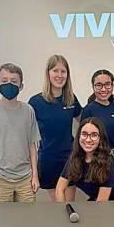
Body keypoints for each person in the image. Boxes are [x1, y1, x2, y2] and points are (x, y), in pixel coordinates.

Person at [0, 63, 41, 202]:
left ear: (21, 86)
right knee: (1, 220)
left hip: (25, 178)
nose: (9, 84)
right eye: (4, 81)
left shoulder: (28, 110)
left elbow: (32, 146)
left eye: (14, 81)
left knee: (28, 219)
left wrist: (35, 175)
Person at [28, 55, 82, 201]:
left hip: (69, 158)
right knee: (58, 206)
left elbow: (86, 120)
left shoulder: (71, 98)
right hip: (49, 159)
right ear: (48, 73)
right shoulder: (36, 102)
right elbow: (20, 122)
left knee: (70, 204)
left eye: (63, 71)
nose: (59, 75)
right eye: (55, 71)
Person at [55, 117, 114, 202]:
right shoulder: (74, 158)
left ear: (100, 138)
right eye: (84, 134)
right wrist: (64, 209)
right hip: (95, 199)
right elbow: (59, 189)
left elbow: (101, 202)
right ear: (79, 136)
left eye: (94, 135)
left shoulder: (109, 163)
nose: (88, 139)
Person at [80, 69, 114, 150]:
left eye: (107, 84)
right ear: (93, 87)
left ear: (112, 85)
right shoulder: (88, 110)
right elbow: (83, 138)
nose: (103, 89)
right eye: (99, 85)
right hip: (95, 155)